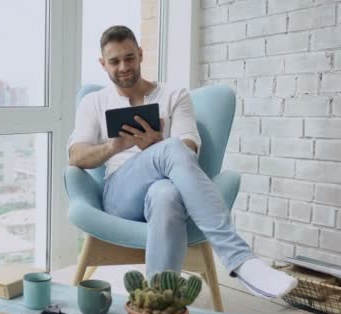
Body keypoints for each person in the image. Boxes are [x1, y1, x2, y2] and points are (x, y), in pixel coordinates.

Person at [68, 25, 297, 299]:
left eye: (129, 57)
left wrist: (154, 144)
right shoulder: (94, 102)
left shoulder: (175, 96)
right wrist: (115, 145)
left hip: (167, 192)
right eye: (114, 61)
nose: (123, 67)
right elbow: (76, 156)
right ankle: (239, 259)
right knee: (170, 149)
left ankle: (158, 303)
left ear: (140, 54)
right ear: (103, 63)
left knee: (166, 192)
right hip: (119, 198)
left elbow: (189, 150)